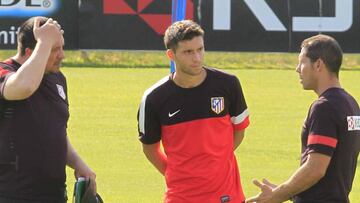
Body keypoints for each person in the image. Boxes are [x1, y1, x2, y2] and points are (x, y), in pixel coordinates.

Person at [137, 20, 250, 203]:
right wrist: (177, 172)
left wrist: (215, 161)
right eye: (188, 52)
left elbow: (239, 130)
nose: (197, 58)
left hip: (227, 196)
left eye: (200, 49)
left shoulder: (228, 84)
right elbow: (150, 148)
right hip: (180, 197)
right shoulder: (154, 98)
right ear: (171, 55)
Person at [246, 34, 360, 203]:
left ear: (318, 64)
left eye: (302, 62)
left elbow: (315, 169)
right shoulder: (351, 103)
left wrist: (275, 196)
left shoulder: (324, 107)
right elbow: (332, 173)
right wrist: (289, 191)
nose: (297, 69)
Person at [0, 16, 96, 202]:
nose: (62, 55)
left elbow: (56, 131)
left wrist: (78, 164)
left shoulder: (57, 78)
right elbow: (23, 88)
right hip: (12, 195)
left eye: (62, 47)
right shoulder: (5, 72)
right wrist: (44, 41)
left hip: (54, 194)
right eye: (54, 49)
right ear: (30, 53)